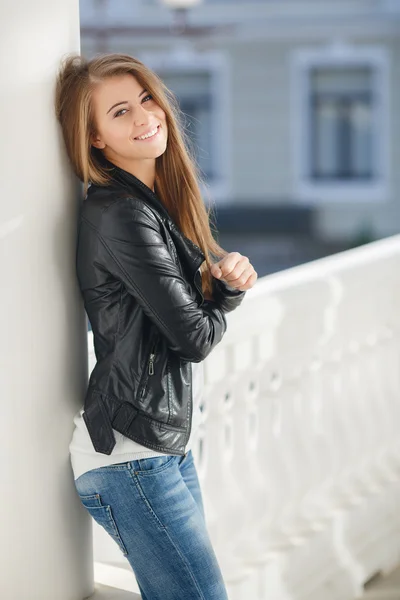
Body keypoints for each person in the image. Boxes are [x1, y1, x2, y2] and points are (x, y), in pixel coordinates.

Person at [54, 52, 257, 600]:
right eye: (120, 111)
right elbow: (192, 337)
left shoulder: (153, 207)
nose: (146, 116)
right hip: (130, 457)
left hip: (159, 448)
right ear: (94, 137)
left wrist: (219, 283)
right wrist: (229, 294)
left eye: (146, 99)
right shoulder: (121, 213)